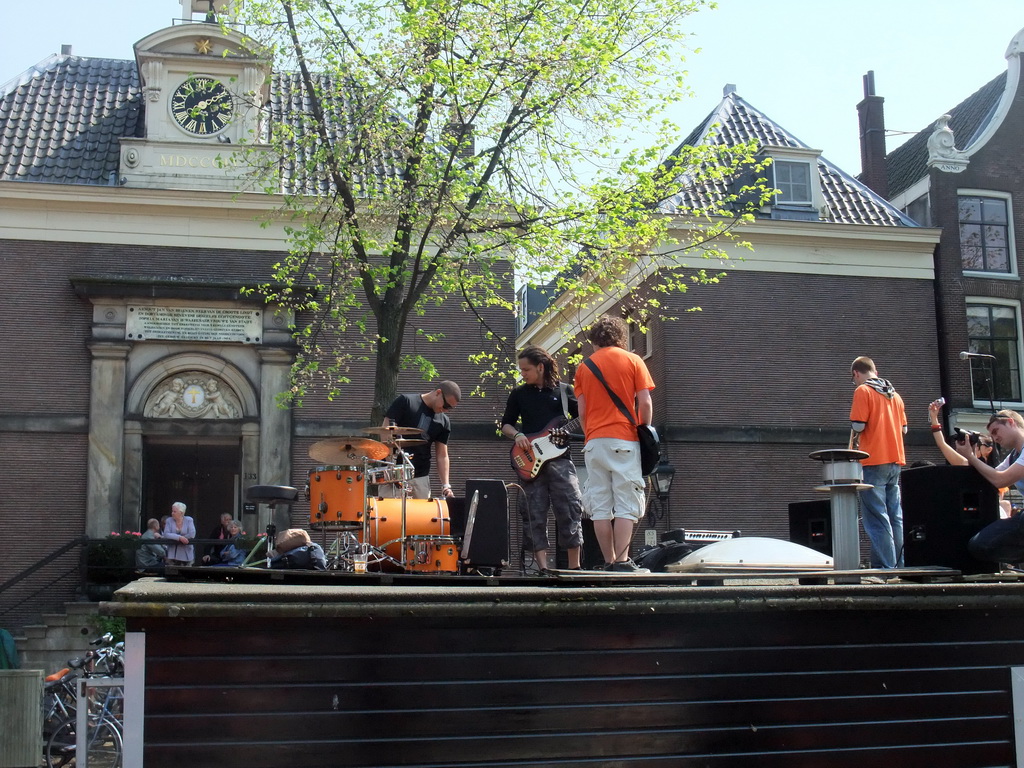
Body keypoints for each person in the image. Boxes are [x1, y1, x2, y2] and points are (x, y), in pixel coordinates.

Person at [573, 315, 655, 572]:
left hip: (594, 443)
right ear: (619, 336)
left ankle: (607, 560)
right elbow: (645, 403)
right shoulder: (633, 360)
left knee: (600, 506)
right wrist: (643, 430)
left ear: (594, 339)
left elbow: (582, 413)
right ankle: (622, 561)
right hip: (624, 439)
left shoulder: (584, 367)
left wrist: (592, 435)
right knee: (625, 504)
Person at [501, 346, 584, 572]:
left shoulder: (566, 391)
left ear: (540, 367)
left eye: (526, 369)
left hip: (560, 460)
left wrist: (569, 433)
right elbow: (505, 423)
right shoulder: (518, 394)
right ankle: (543, 569)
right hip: (530, 463)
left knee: (570, 509)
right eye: (520, 370)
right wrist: (517, 435)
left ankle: (574, 568)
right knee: (532, 513)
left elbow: (584, 421)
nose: (523, 374)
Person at [849, 356, 907, 569]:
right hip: (895, 460)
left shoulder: (863, 391)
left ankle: (886, 567)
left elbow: (858, 426)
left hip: (873, 459)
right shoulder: (895, 396)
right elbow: (904, 430)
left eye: (853, 378)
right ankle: (900, 565)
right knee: (895, 516)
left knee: (876, 518)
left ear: (856, 373)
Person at [955, 409, 1024, 563]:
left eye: (996, 431)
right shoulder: (1014, 456)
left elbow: (1000, 480)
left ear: (1010, 422)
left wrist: (971, 457)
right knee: (979, 545)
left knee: (983, 544)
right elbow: (987, 475)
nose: (995, 438)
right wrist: (970, 452)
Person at [927, 399, 1010, 516]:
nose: (973, 446)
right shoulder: (965, 463)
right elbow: (942, 444)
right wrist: (934, 418)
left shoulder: (997, 470)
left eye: (977, 444)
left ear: (988, 449)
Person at [383, 381, 461, 499]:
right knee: (390, 516)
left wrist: (446, 485)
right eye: (446, 406)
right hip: (394, 475)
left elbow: (442, 456)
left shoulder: (444, 421)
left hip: (421, 478)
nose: (446, 410)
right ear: (438, 393)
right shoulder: (405, 401)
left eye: (450, 408)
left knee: (422, 517)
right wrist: (392, 467)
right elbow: (385, 432)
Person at [162, 501, 196, 566]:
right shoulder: (169, 520)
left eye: (174, 511)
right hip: (172, 555)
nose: (172, 513)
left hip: (186, 554)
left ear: (181, 513)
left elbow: (192, 534)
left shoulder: (189, 520)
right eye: (172, 511)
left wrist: (175, 537)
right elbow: (166, 534)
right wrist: (179, 538)